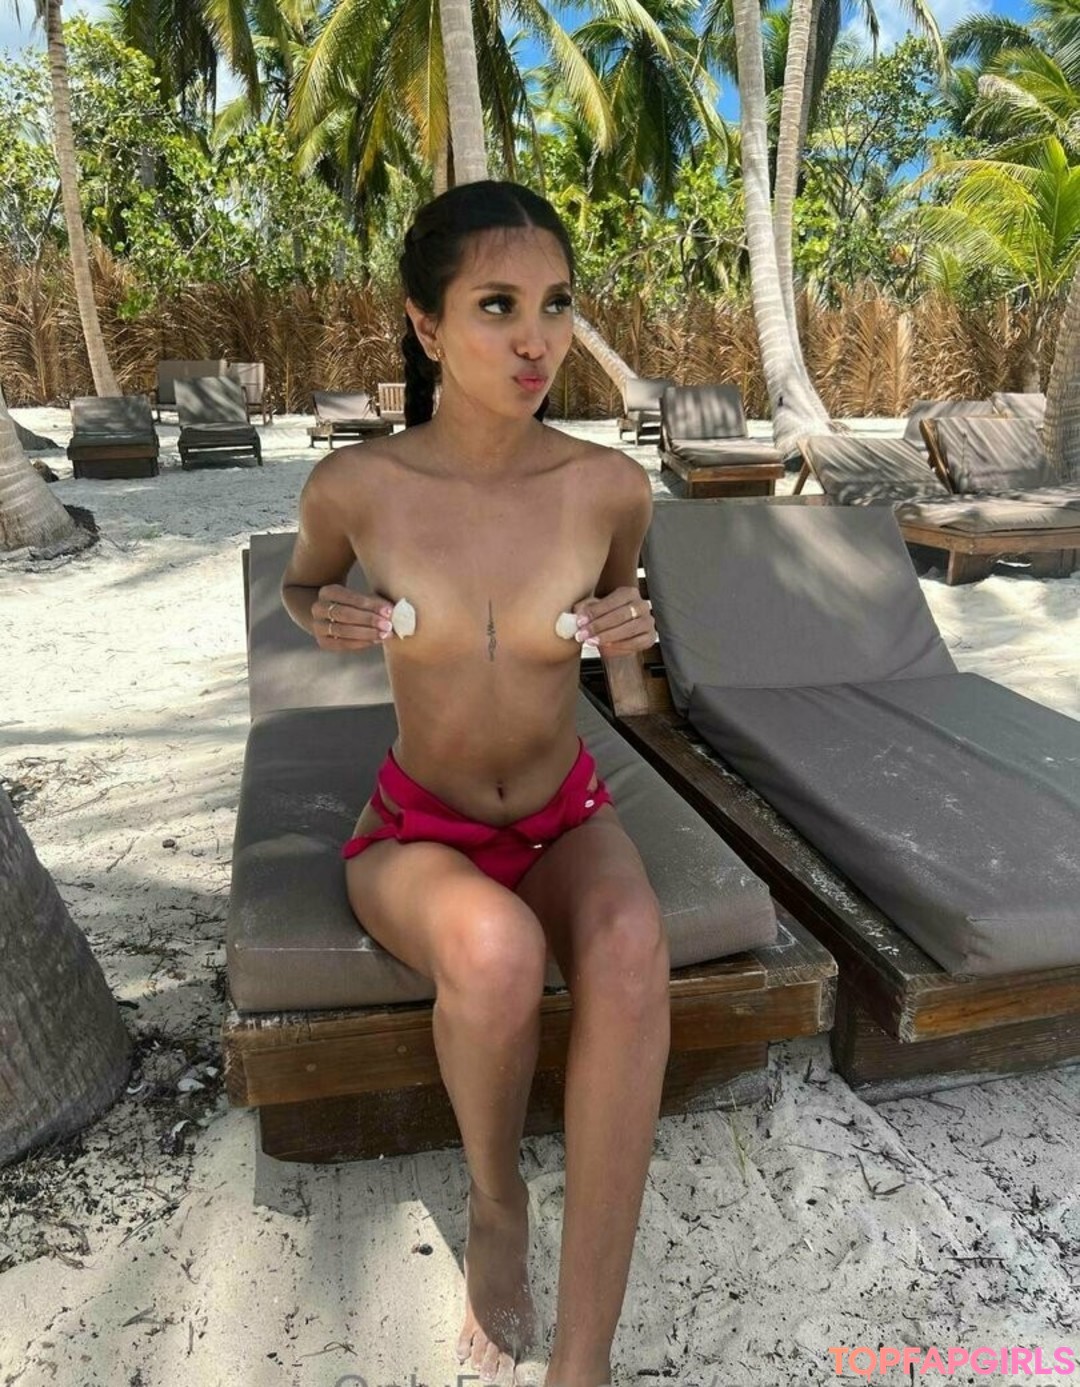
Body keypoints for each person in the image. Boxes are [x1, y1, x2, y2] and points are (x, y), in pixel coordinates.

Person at [282, 180, 671, 1387]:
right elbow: (301, 589)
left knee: (631, 944)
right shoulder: (358, 490)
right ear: (427, 323)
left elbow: (631, 675)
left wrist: (630, 647)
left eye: (556, 305)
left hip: (565, 815)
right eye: (497, 305)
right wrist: (323, 615)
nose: (536, 339)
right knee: (498, 953)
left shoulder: (609, 489)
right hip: (419, 831)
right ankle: (498, 1200)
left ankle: (583, 1360)